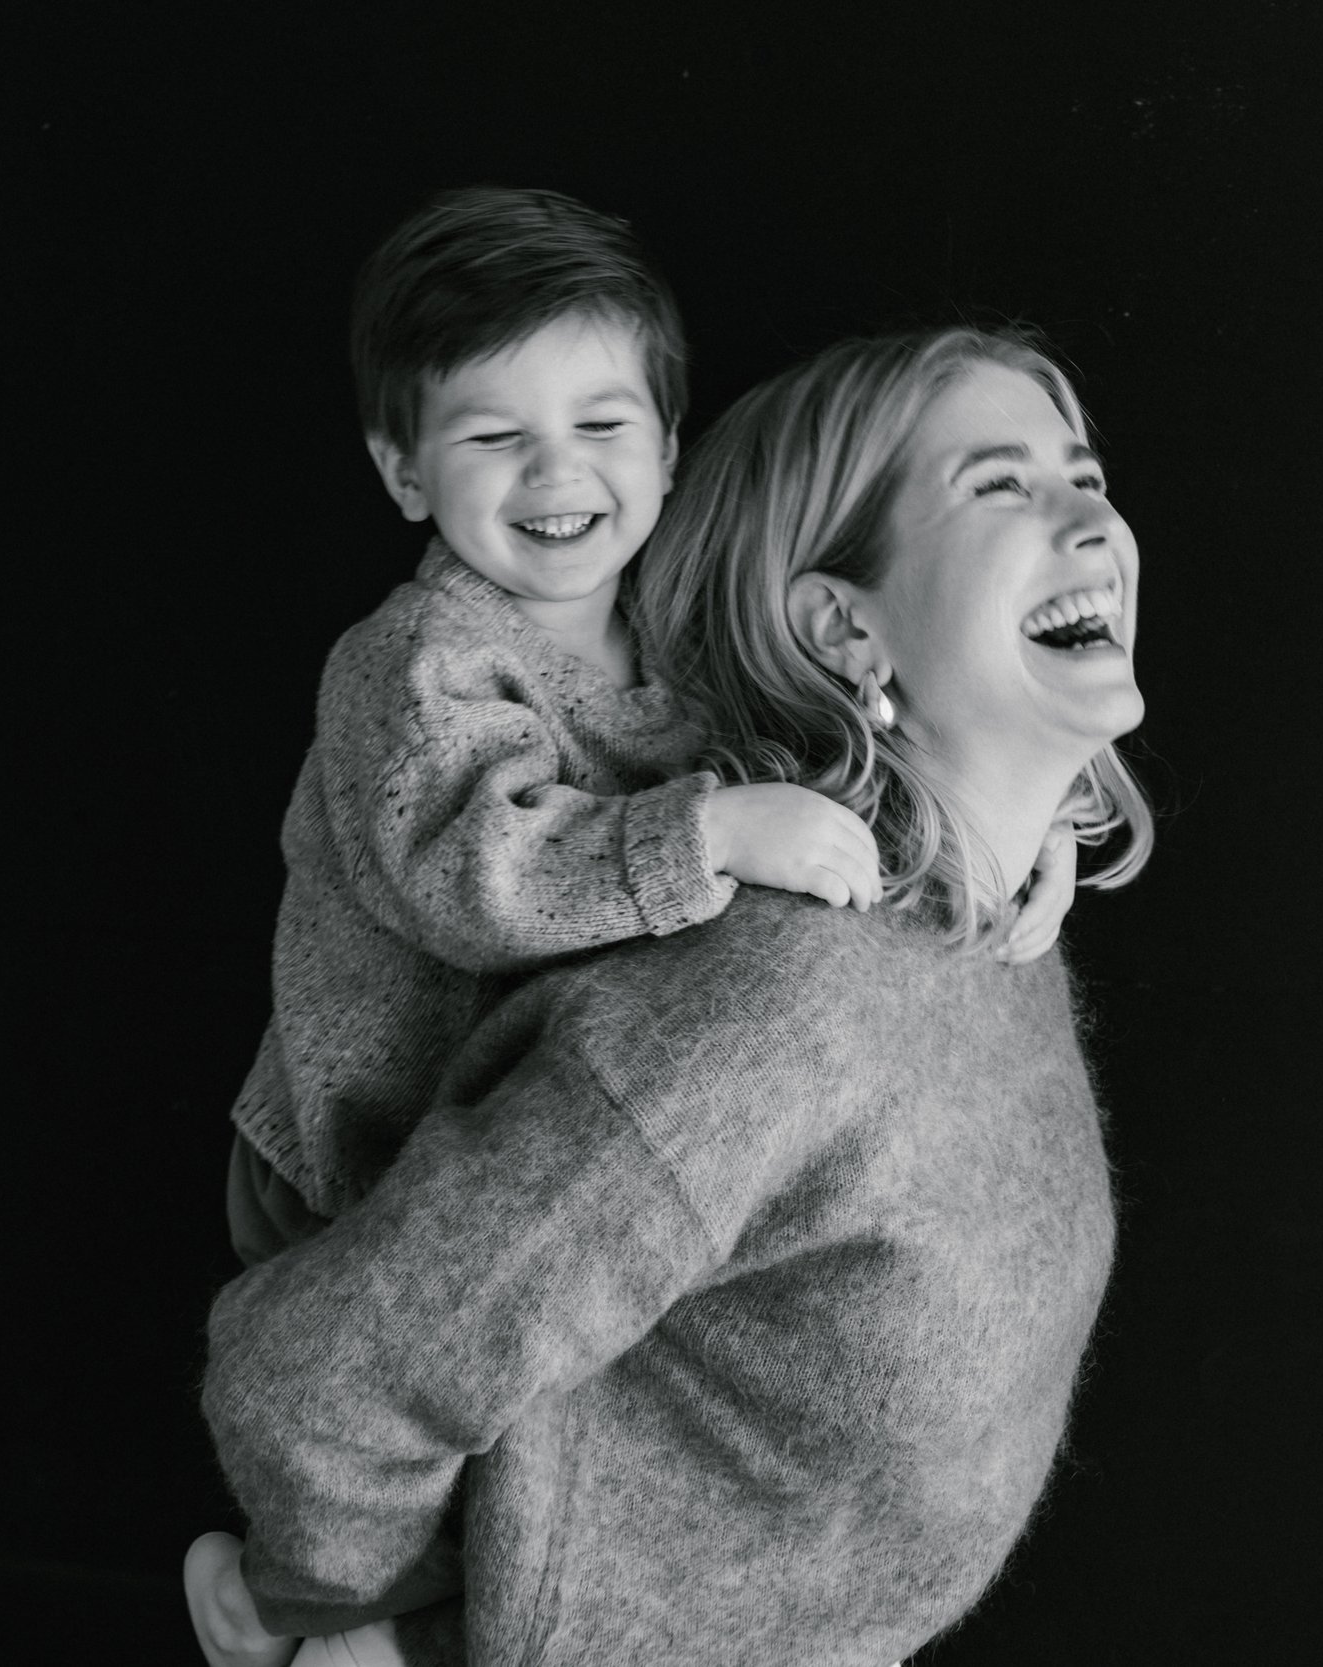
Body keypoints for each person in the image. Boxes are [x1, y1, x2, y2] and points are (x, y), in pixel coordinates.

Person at [185, 324, 1152, 1667]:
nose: (1090, 519)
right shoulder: (785, 1007)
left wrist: (1018, 835)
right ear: (841, 624)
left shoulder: (983, 934)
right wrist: (341, 1622)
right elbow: (328, 1377)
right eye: (1000, 485)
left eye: (1088, 475)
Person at [221, 186, 1076, 1265]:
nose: (556, 470)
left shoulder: (678, 627)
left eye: (600, 424)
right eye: (494, 435)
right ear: (404, 471)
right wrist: (709, 836)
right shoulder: (414, 661)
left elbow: (841, 743)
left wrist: (1015, 822)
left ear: (666, 449)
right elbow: (474, 875)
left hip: (551, 1135)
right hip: (359, 1162)